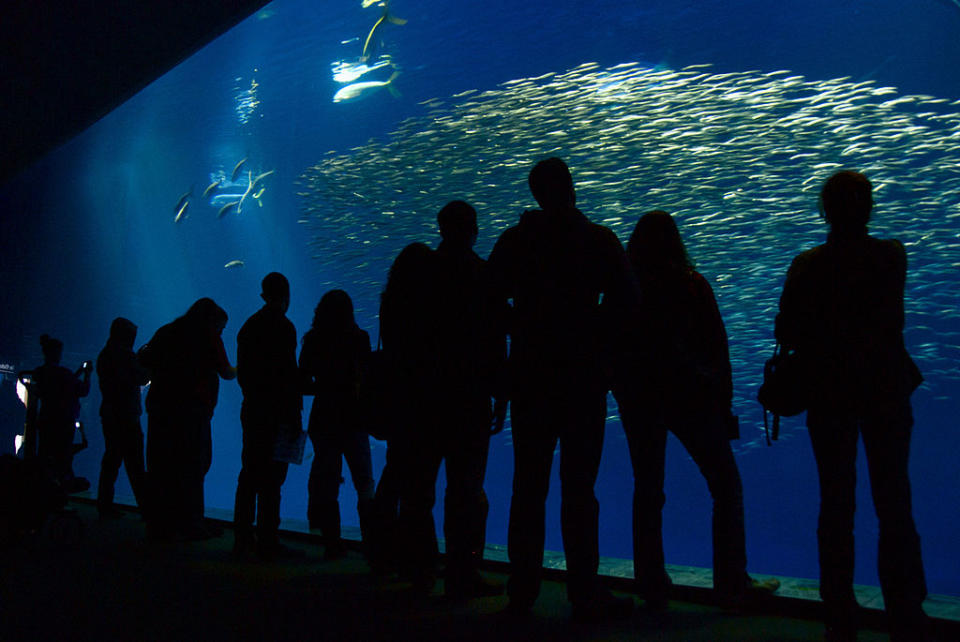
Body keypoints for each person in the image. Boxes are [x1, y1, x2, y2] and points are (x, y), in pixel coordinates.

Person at [775, 170, 927, 642]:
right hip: (884, 390)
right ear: (869, 207)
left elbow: (786, 331)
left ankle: (838, 612)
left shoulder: (808, 265)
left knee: (836, 503)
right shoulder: (891, 255)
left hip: (830, 394)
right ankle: (905, 610)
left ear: (824, 210)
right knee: (894, 501)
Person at [485, 157, 636, 619]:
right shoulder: (597, 240)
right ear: (570, 187)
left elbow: (487, 301)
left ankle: (522, 589)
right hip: (583, 379)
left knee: (527, 485)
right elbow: (628, 302)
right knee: (579, 488)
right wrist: (595, 339)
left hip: (531, 376)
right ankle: (584, 590)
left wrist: (523, 329)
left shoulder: (516, 241)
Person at [610, 210, 779, 611]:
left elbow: (611, 345)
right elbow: (718, 347)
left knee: (648, 490)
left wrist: (621, 391)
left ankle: (651, 583)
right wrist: (723, 402)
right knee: (725, 485)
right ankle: (731, 582)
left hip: (639, 400)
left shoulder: (626, 288)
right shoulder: (691, 284)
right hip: (691, 398)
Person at [394, 201, 508, 598]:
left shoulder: (417, 271)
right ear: (473, 229)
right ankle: (462, 573)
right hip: (469, 399)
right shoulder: (482, 274)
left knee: (419, 489)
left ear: (440, 228)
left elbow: (400, 338)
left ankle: (421, 571)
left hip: (421, 399)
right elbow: (496, 339)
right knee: (466, 491)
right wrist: (501, 392)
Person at [139, 297, 236, 541]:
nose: (221, 333)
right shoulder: (208, 335)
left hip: (161, 409)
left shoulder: (167, 332)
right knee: (194, 465)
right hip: (192, 412)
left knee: (161, 466)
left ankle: (160, 524)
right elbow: (226, 372)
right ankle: (192, 523)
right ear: (213, 321)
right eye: (221, 328)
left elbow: (145, 362)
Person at [366, 242, 435, 576]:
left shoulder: (389, 300)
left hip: (396, 399)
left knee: (395, 476)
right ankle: (415, 559)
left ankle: (384, 551)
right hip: (418, 400)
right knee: (413, 485)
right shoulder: (422, 302)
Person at [299, 289, 375, 560]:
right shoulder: (360, 338)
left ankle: (333, 544)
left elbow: (303, 380)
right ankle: (372, 545)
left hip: (324, 418)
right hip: (354, 418)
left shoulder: (312, 340)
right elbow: (367, 379)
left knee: (328, 481)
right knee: (364, 481)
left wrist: (324, 387)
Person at [233, 273, 303, 560]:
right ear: (285, 295)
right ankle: (267, 539)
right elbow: (288, 375)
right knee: (273, 479)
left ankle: (242, 537)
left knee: (249, 474)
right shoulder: (285, 328)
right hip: (279, 413)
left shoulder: (248, 327)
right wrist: (293, 415)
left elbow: (245, 377)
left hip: (253, 410)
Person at [96, 317, 150, 518]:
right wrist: (148, 363)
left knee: (111, 461)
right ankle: (146, 509)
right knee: (135, 465)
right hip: (126, 416)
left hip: (110, 414)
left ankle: (104, 504)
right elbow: (141, 377)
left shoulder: (106, 354)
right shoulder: (125, 356)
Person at [25, 334, 92, 493]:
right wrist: (87, 374)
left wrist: (78, 372)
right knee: (62, 462)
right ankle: (59, 495)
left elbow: (60, 388)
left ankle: (42, 495)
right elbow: (82, 390)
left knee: (45, 458)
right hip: (63, 425)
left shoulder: (40, 372)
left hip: (46, 421)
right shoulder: (63, 374)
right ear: (57, 353)